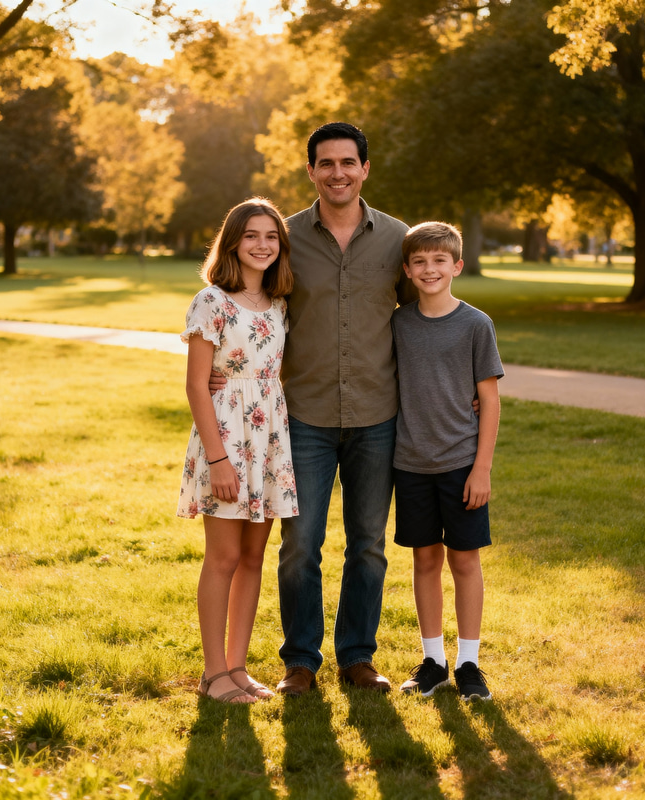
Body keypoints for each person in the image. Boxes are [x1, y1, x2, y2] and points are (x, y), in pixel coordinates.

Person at [275, 122, 418, 695]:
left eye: (348, 162)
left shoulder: (398, 240)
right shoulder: (283, 237)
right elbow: (255, 308)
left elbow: (420, 315)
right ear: (311, 170)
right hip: (303, 415)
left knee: (369, 546)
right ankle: (300, 663)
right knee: (299, 546)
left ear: (365, 169)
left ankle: (358, 657)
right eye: (326, 163)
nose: (338, 173)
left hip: (377, 415)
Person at [177, 197, 298, 704]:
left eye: (271, 236)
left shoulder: (279, 304)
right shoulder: (212, 301)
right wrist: (218, 459)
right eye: (251, 235)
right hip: (225, 438)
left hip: (269, 439)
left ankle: (238, 667)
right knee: (224, 556)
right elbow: (196, 384)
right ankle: (212, 674)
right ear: (232, 242)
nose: (262, 245)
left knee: (253, 556)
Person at [392, 221, 503, 702]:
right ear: (407, 270)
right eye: (419, 261)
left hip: (461, 463)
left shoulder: (476, 324)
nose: (429, 269)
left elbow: (490, 401)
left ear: (457, 266)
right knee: (424, 559)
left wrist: (482, 469)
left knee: (464, 560)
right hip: (411, 462)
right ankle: (434, 662)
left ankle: (468, 664)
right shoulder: (398, 324)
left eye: (439, 260)